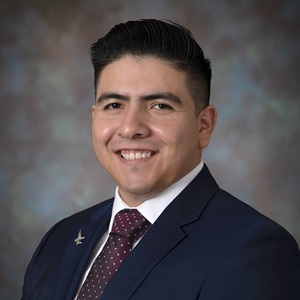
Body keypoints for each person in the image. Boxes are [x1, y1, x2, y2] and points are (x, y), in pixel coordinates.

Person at [22, 19, 300, 300]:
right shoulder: (60, 239)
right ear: (94, 117)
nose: (130, 128)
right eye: (114, 105)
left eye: (160, 106)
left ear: (204, 125)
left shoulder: (254, 248)